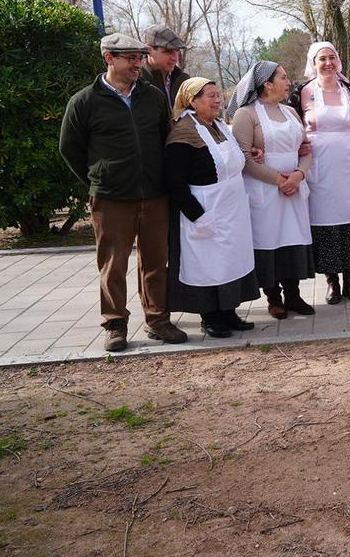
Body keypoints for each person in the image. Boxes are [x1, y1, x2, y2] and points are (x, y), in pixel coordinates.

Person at [59, 33, 188, 353]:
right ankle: (115, 323)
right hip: (111, 198)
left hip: (155, 194)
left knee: (156, 260)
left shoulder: (153, 96)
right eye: (130, 58)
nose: (137, 64)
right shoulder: (84, 101)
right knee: (113, 264)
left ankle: (158, 319)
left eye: (140, 58)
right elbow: (70, 148)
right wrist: (99, 179)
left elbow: (166, 138)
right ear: (108, 59)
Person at [165, 77, 260, 337]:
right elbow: (175, 183)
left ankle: (229, 311)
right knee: (207, 265)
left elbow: (231, 160)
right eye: (210, 95)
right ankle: (210, 316)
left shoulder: (218, 125)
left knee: (229, 261)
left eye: (218, 95)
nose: (218, 100)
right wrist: (197, 216)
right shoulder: (183, 133)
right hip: (204, 209)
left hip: (231, 210)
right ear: (191, 101)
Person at [290, 42, 350, 305]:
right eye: (322, 59)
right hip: (318, 168)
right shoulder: (302, 93)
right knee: (325, 221)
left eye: (332, 58)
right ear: (313, 63)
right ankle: (332, 282)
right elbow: (291, 128)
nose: (328, 63)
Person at [227, 61, 316, 319]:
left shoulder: (291, 112)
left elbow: (306, 149)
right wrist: (280, 180)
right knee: (269, 242)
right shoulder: (247, 114)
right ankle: (273, 297)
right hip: (264, 190)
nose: (289, 82)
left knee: (292, 240)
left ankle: (294, 295)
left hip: (294, 189)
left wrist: (298, 175)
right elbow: (243, 157)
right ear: (267, 84)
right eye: (284, 77)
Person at [138, 25, 190, 111]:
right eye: (168, 51)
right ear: (149, 50)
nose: (174, 58)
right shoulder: (138, 82)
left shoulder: (184, 81)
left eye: (176, 51)